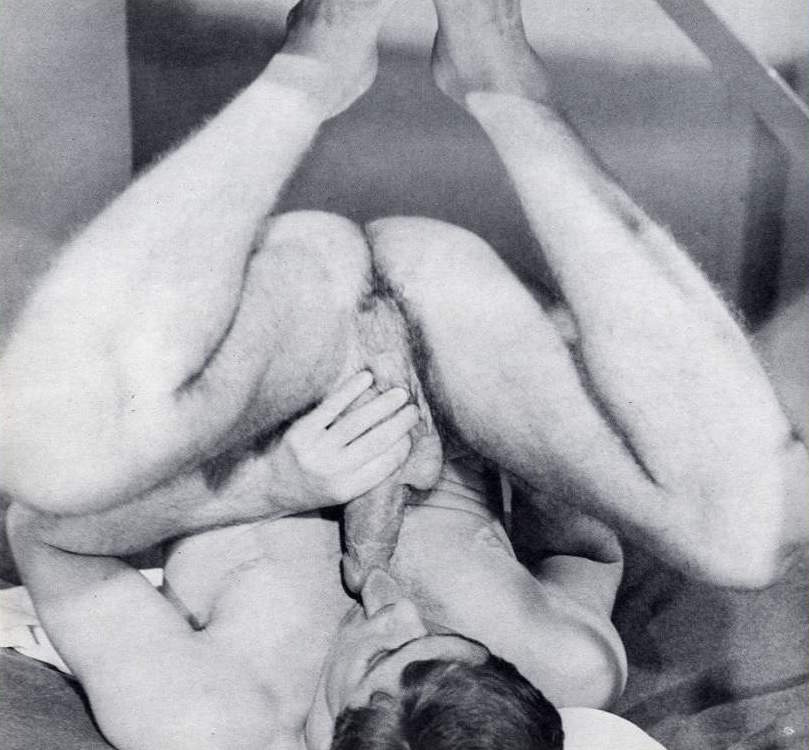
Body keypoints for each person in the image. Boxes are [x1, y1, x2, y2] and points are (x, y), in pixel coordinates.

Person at [2, 0, 807, 747]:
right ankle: (507, 88)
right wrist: (515, 439)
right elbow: (588, 550)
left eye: (375, 656)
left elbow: (42, 533)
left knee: (49, 462)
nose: (393, 608)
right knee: (745, 536)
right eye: (452, 640)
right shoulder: (569, 667)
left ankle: (307, 75)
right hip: (449, 343)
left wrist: (275, 486)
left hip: (288, 343)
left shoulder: (205, 717)